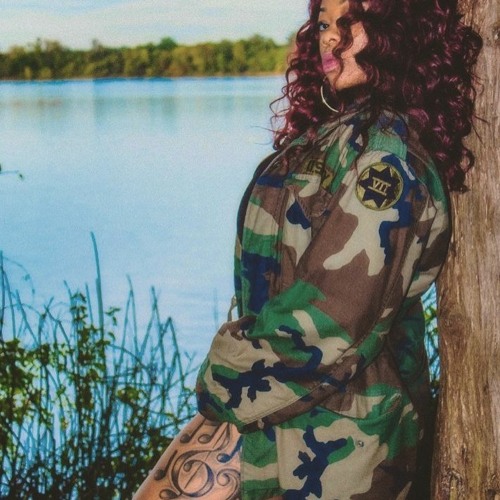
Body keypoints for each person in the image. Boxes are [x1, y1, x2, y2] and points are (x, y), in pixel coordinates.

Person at [134, 0, 481, 498]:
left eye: (353, 21)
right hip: (274, 413)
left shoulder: (386, 163)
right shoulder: (334, 136)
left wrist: (220, 383)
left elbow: (330, 320)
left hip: (342, 447)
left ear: (400, 31)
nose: (332, 38)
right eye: (323, 23)